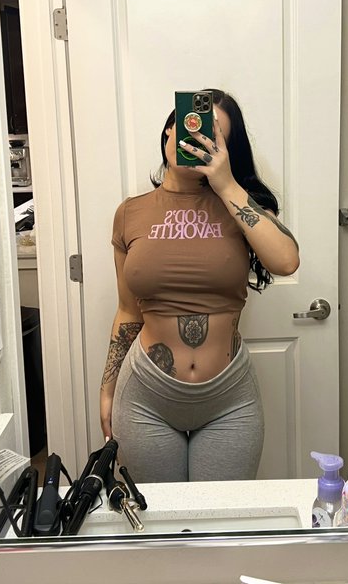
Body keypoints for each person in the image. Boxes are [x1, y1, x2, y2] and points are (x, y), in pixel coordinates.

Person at [100, 89, 299, 483]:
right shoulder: (130, 213)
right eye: (188, 125)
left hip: (229, 400)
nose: (195, 139)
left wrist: (225, 184)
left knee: (223, 515)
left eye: (211, 134)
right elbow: (127, 311)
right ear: (169, 130)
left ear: (226, 149)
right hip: (144, 397)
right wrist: (107, 390)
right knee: (158, 516)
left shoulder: (241, 205)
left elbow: (286, 260)